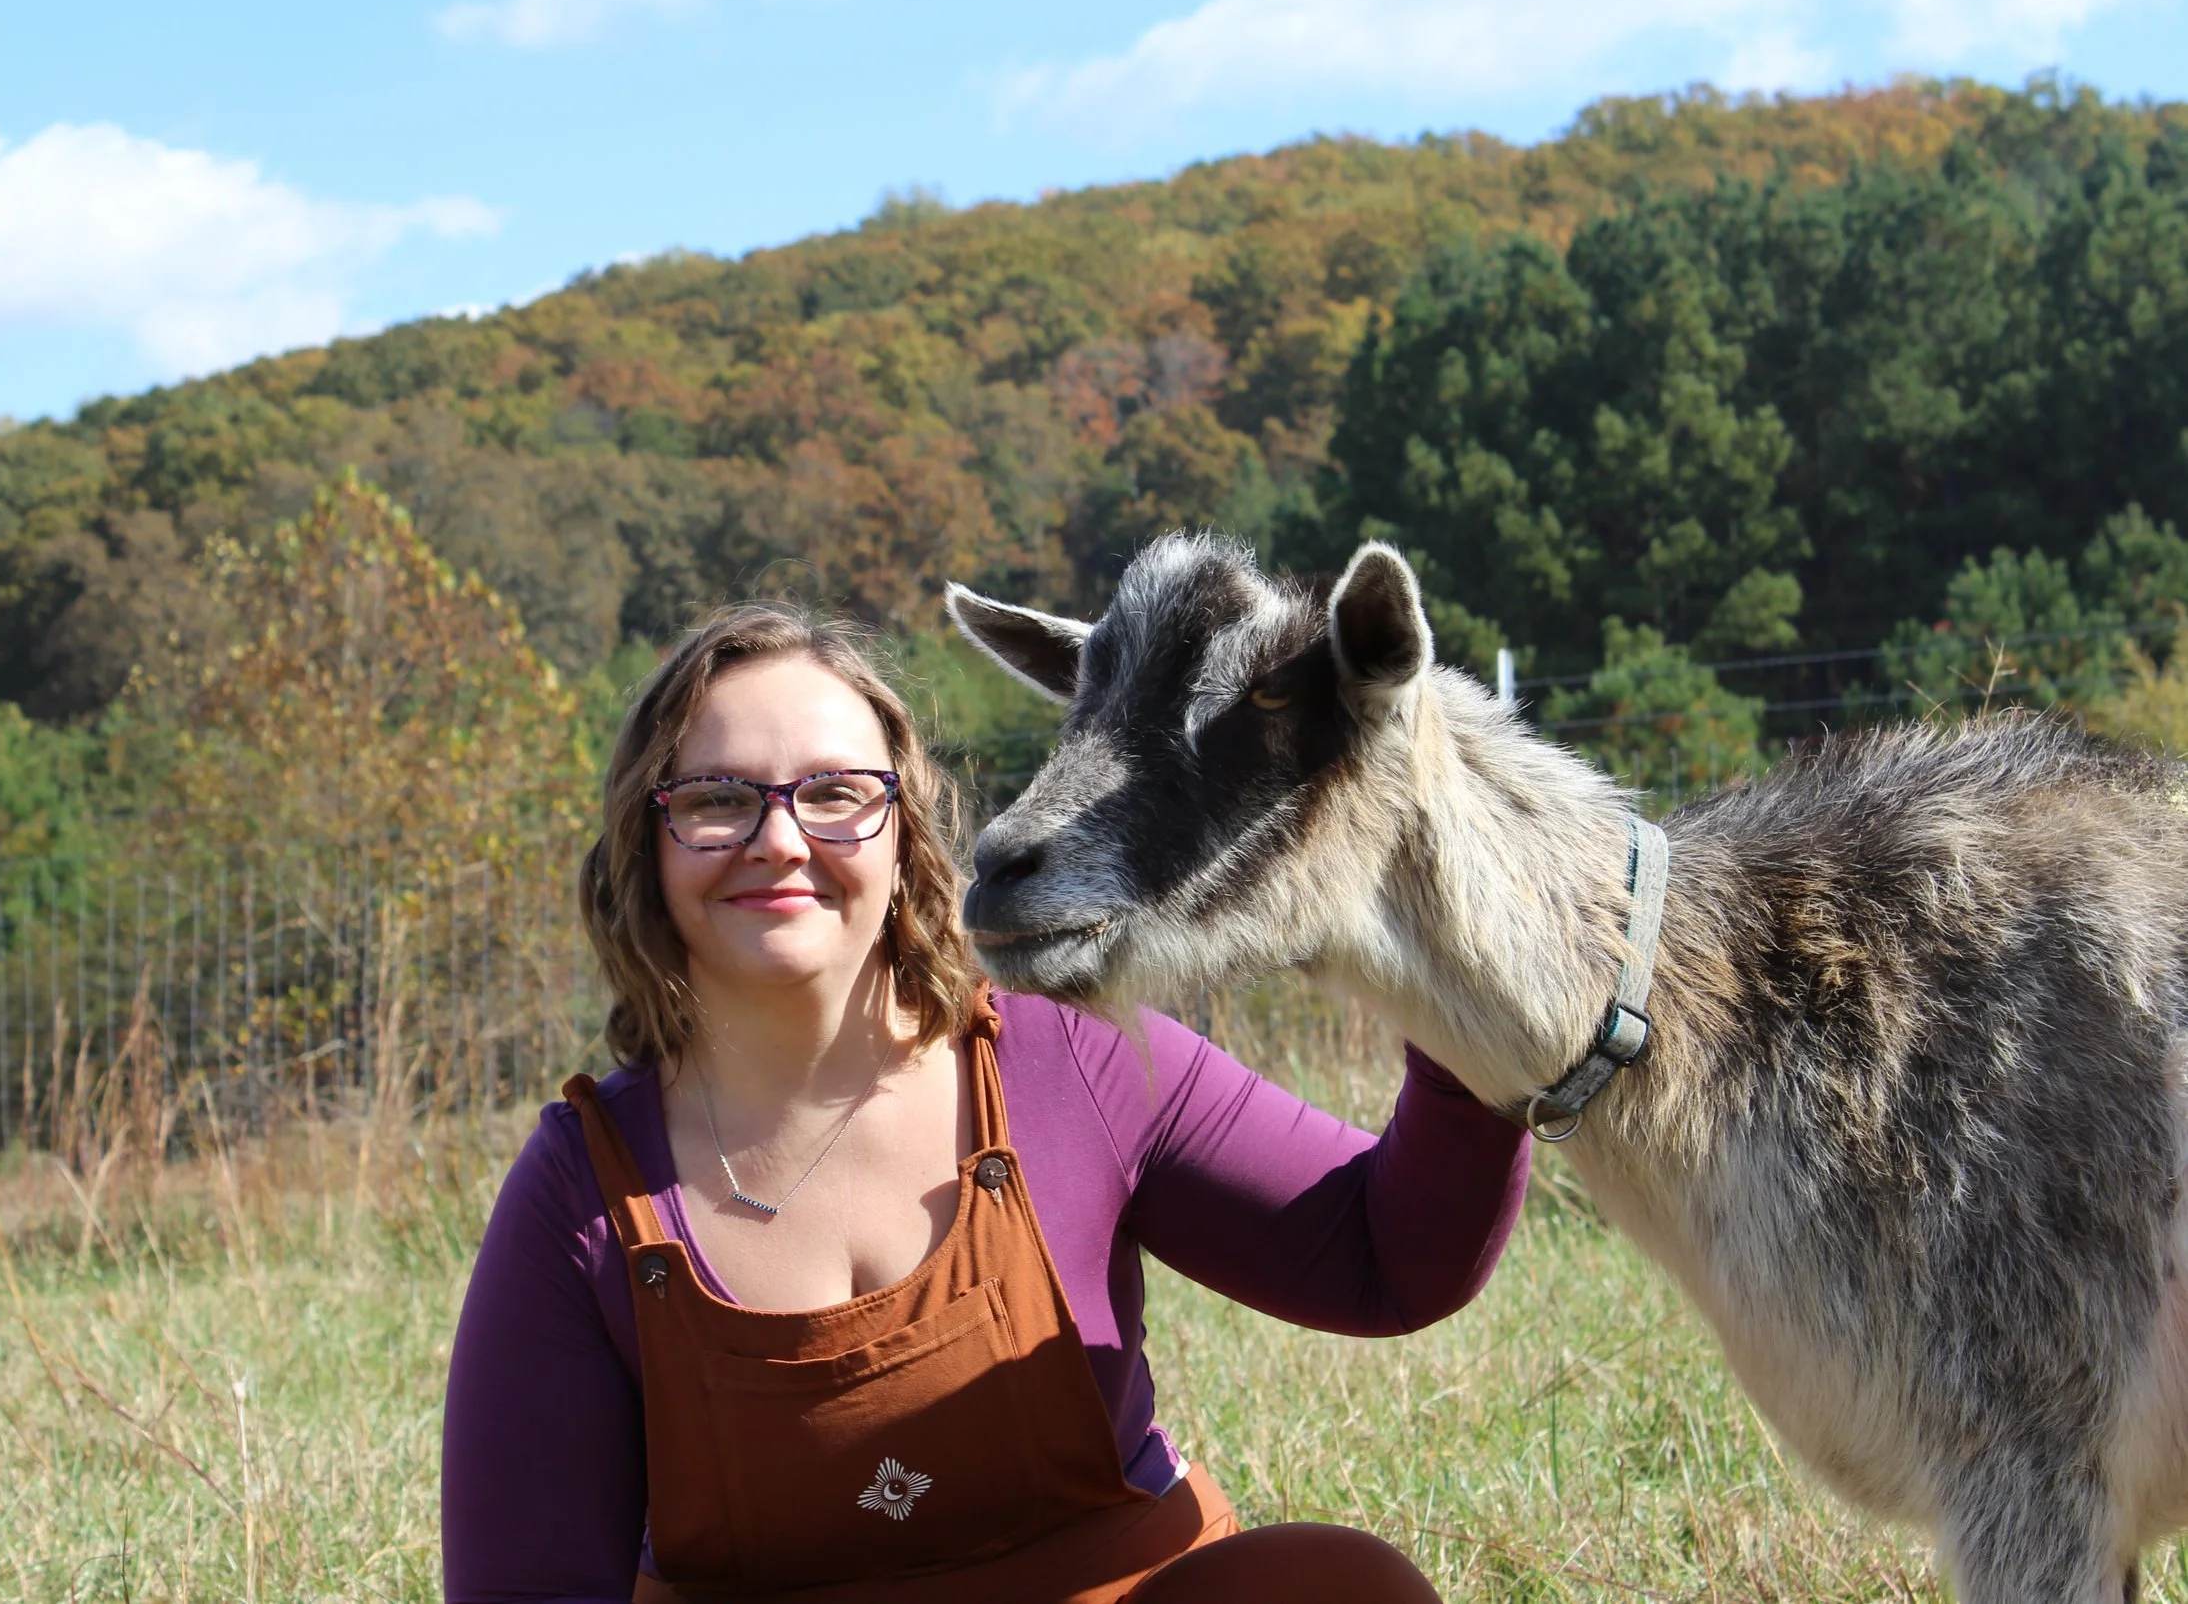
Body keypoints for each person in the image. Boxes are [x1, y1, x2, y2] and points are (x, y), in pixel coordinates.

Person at [441, 604, 1532, 1603]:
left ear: (904, 826)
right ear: (649, 836)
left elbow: (1383, 1253)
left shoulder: (1077, 1059)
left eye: (834, 793)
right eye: (718, 799)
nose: (779, 839)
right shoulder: (584, 1191)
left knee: (1340, 1588)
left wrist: (1459, 1002)